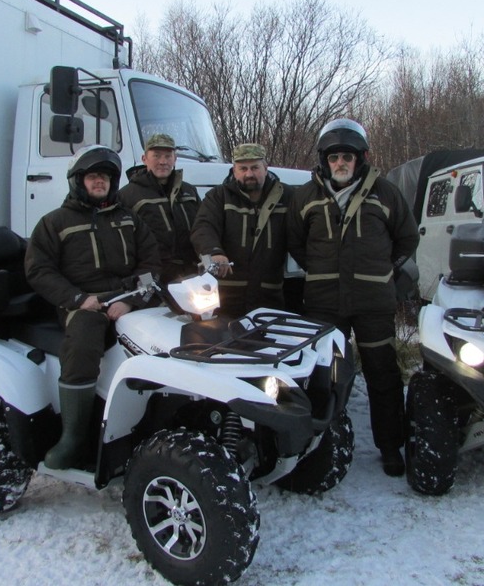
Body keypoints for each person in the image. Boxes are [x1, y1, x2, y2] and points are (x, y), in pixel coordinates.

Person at [288, 119, 419, 477]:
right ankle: (321, 446)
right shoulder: (306, 196)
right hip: (324, 303)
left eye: (347, 156)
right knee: (324, 376)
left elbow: (408, 239)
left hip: (373, 302)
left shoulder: (386, 193)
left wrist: (384, 270)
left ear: (360, 158)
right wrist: (320, 270)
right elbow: (295, 243)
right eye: (334, 157)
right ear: (324, 160)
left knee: (383, 374)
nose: (340, 163)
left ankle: (391, 446)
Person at [24, 145, 161, 469]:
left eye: (105, 177)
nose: (100, 182)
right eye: (93, 176)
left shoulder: (130, 219)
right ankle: (73, 436)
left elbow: (151, 263)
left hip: (127, 298)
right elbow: (38, 270)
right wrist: (77, 299)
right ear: (78, 180)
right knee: (85, 336)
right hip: (83, 301)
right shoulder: (55, 222)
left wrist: (131, 300)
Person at [190, 143, 292, 318]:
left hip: (269, 297)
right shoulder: (218, 196)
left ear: (266, 168)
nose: (249, 174)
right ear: (234, 170)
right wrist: (214, 252)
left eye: (255, 167)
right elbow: (203, 227)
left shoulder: (287, 197)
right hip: (226, 297)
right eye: (243, 168)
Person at [118, 133, 201, 284]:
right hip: (155, 279)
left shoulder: (189, 191)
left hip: (192, 276)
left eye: (168, 156)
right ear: (144, 159)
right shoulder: (127, 196)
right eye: (156, 156)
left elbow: (203, 228)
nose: (163, 161)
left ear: (175, 159)